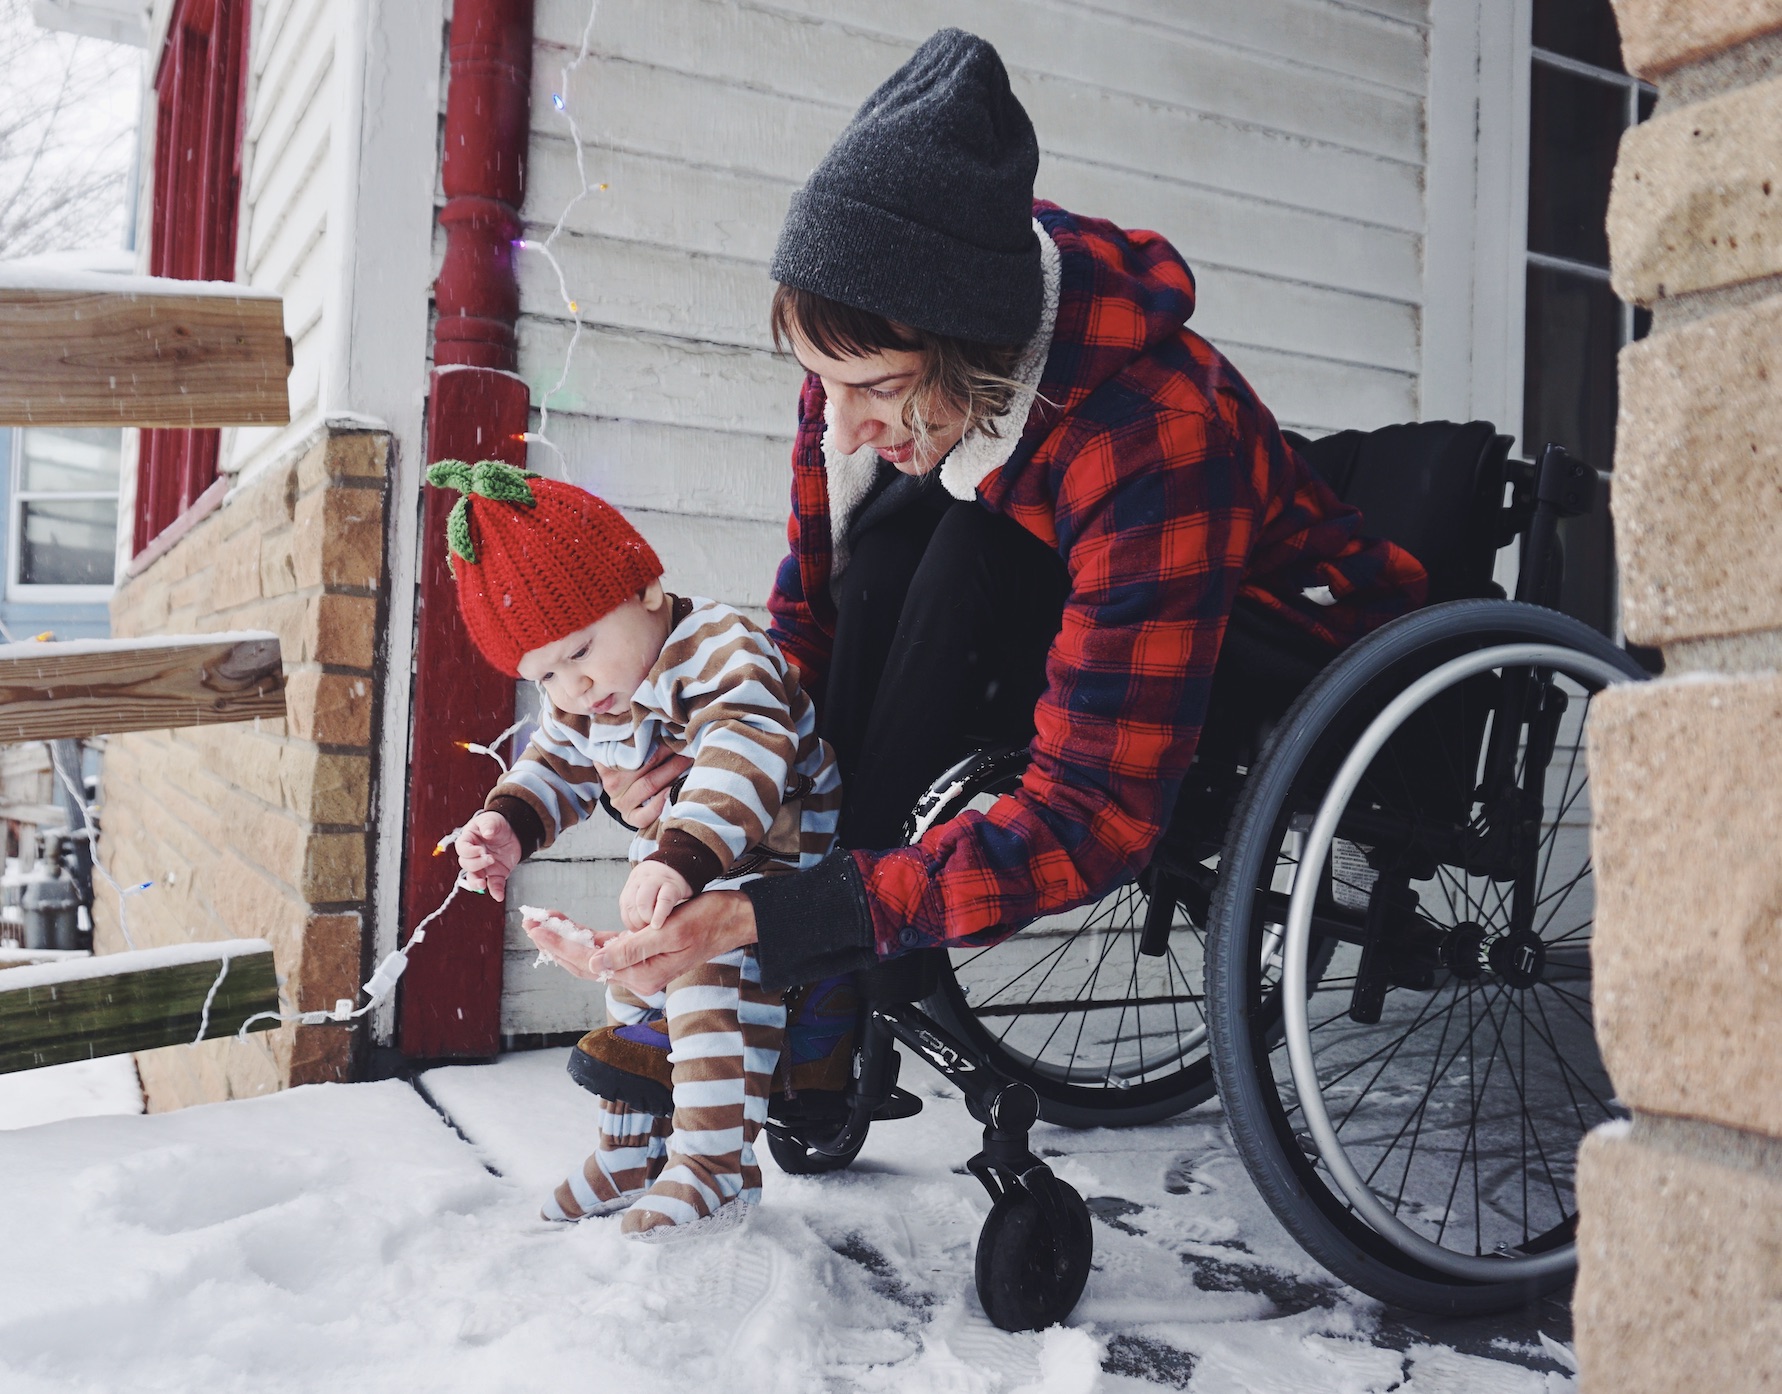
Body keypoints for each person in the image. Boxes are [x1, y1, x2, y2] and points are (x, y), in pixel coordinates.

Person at [572, 30, 1428, 1014]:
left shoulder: (1156, 435)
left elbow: (1093, 813)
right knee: (888, 551)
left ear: (974, 355)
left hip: (1276, 649)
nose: (835, 423)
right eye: (820, 381)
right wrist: (702, 775)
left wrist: (789, 919)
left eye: (877, 388)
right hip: (1066, 600)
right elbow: (812, 628)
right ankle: (821, 971)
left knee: (965, 545)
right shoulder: (860, 382)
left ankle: (833, 982)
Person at [429, 459, 841, 1239]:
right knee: (630, 987)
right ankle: (629, 1153)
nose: (572, 690)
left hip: (776, 867)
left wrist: (678, 855)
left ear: (646, 590)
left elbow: (745, 752)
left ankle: (715, 1163)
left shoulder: (721, 648)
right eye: (544, 675)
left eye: (579, 653)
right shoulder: (595, 696)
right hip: (683, 867)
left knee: (702, 980)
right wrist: (508, 822)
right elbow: (556, 760)